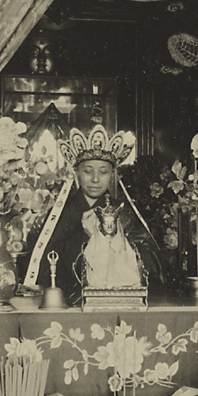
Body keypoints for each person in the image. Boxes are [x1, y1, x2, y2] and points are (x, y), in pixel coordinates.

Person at [32, 126, 165, 302]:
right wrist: (85, 236)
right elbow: (43, 265)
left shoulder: (125, 212)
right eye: (88, 171)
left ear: (113, 174)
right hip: (72, 303)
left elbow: (152, 261)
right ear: (77, 172)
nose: (95, 179)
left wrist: (115, 240)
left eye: (103, 172)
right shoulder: (59, 213)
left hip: (120, 301)